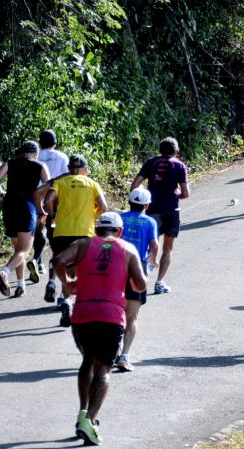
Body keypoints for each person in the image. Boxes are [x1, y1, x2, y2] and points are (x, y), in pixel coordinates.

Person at [52, 212, 146, 447]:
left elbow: (57, 262)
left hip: (82, 313)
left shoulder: (82, 244)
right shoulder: (128, 249)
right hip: (111, 315)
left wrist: (68, 283)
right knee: (104, 368)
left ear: (96, 230)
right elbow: (142, 283)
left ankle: (83, 412)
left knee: (87, 361)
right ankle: (90, 421)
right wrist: (129, 281)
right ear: (120, 231)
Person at [37, 155, 108, 326]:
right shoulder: (91, 183)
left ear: (69, 168)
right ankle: (77, 305)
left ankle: (67, 301)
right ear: (84, 169)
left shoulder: (60, 183)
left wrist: (53, 214)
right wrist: (92, 216)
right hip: (84, 233)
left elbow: (47, 202)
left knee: (67, 269)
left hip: (62, 232)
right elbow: (104, 207)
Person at [0, 140, 50, 298]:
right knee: (25, 250)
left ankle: (21, 285)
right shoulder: (39, 166)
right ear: (35, 153)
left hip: (9, 206)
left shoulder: (10, 163)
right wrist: (41, 203)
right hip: (27, 206)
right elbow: (49, 186)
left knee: (18, 250)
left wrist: (2, 194)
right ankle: (5, 272)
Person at [131, 137, 189, 294]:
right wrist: (176, 193)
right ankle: (159, 282)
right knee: (167, 248)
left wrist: (145, 196)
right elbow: (185, 193)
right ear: (176, 151)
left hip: (151, 210)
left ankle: (140, 277)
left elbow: (135, 186)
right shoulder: (180, 166)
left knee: (149, 244)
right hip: (171, 210)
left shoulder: (151, 162)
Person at [115, 188, 159, 372]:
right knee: (132, 316)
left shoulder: (119, 218)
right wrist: (150, 263)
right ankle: (124, 355)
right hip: (136, 269)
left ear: (129, 202)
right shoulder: (150, 221)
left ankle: (112, 351)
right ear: (147, 205)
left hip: (115, 268)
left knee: (115, 312)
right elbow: (154, 246)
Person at [33, 130, 69, 280]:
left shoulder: (35, 156)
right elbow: (67, 178)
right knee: (52, 230)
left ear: (40, 142)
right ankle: (50, 261)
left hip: (36, 196)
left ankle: (37, 259)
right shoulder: (62, 157)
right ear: (55, 142)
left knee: (37, 231)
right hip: (54, 199)